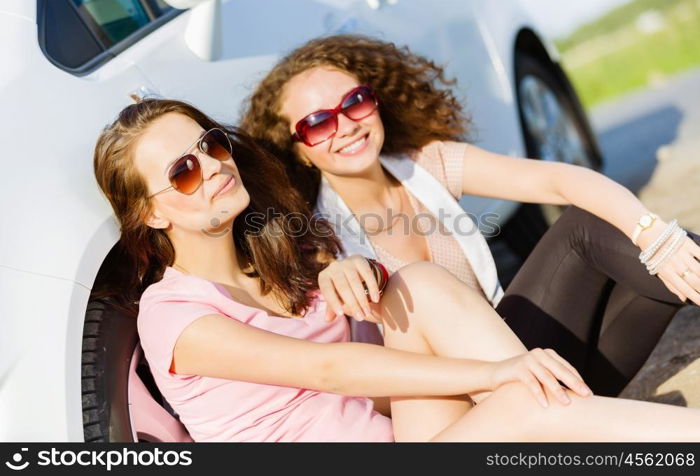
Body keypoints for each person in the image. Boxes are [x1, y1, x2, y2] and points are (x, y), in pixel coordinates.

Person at [92, 98, 700, 442]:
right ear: (150, 212)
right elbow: (330, 370)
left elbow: (383, 385)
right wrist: (500, 369)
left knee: (420, 285)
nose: (214, 166)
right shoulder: (174, 315)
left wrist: (356, 270)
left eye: (213, 144)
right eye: (183, 172)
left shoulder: (284, 258)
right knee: (520, 401)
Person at [240, 34, 700, 395]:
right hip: (472, 397)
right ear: (296, 150)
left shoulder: (428, 163)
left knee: (659, 267)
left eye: (354, 102)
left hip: (538, 369)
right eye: (318, 123)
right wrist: (329, 273)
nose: (346, 126)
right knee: (581, 231)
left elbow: (559, 180)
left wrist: (656, 236)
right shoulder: (316, 239)